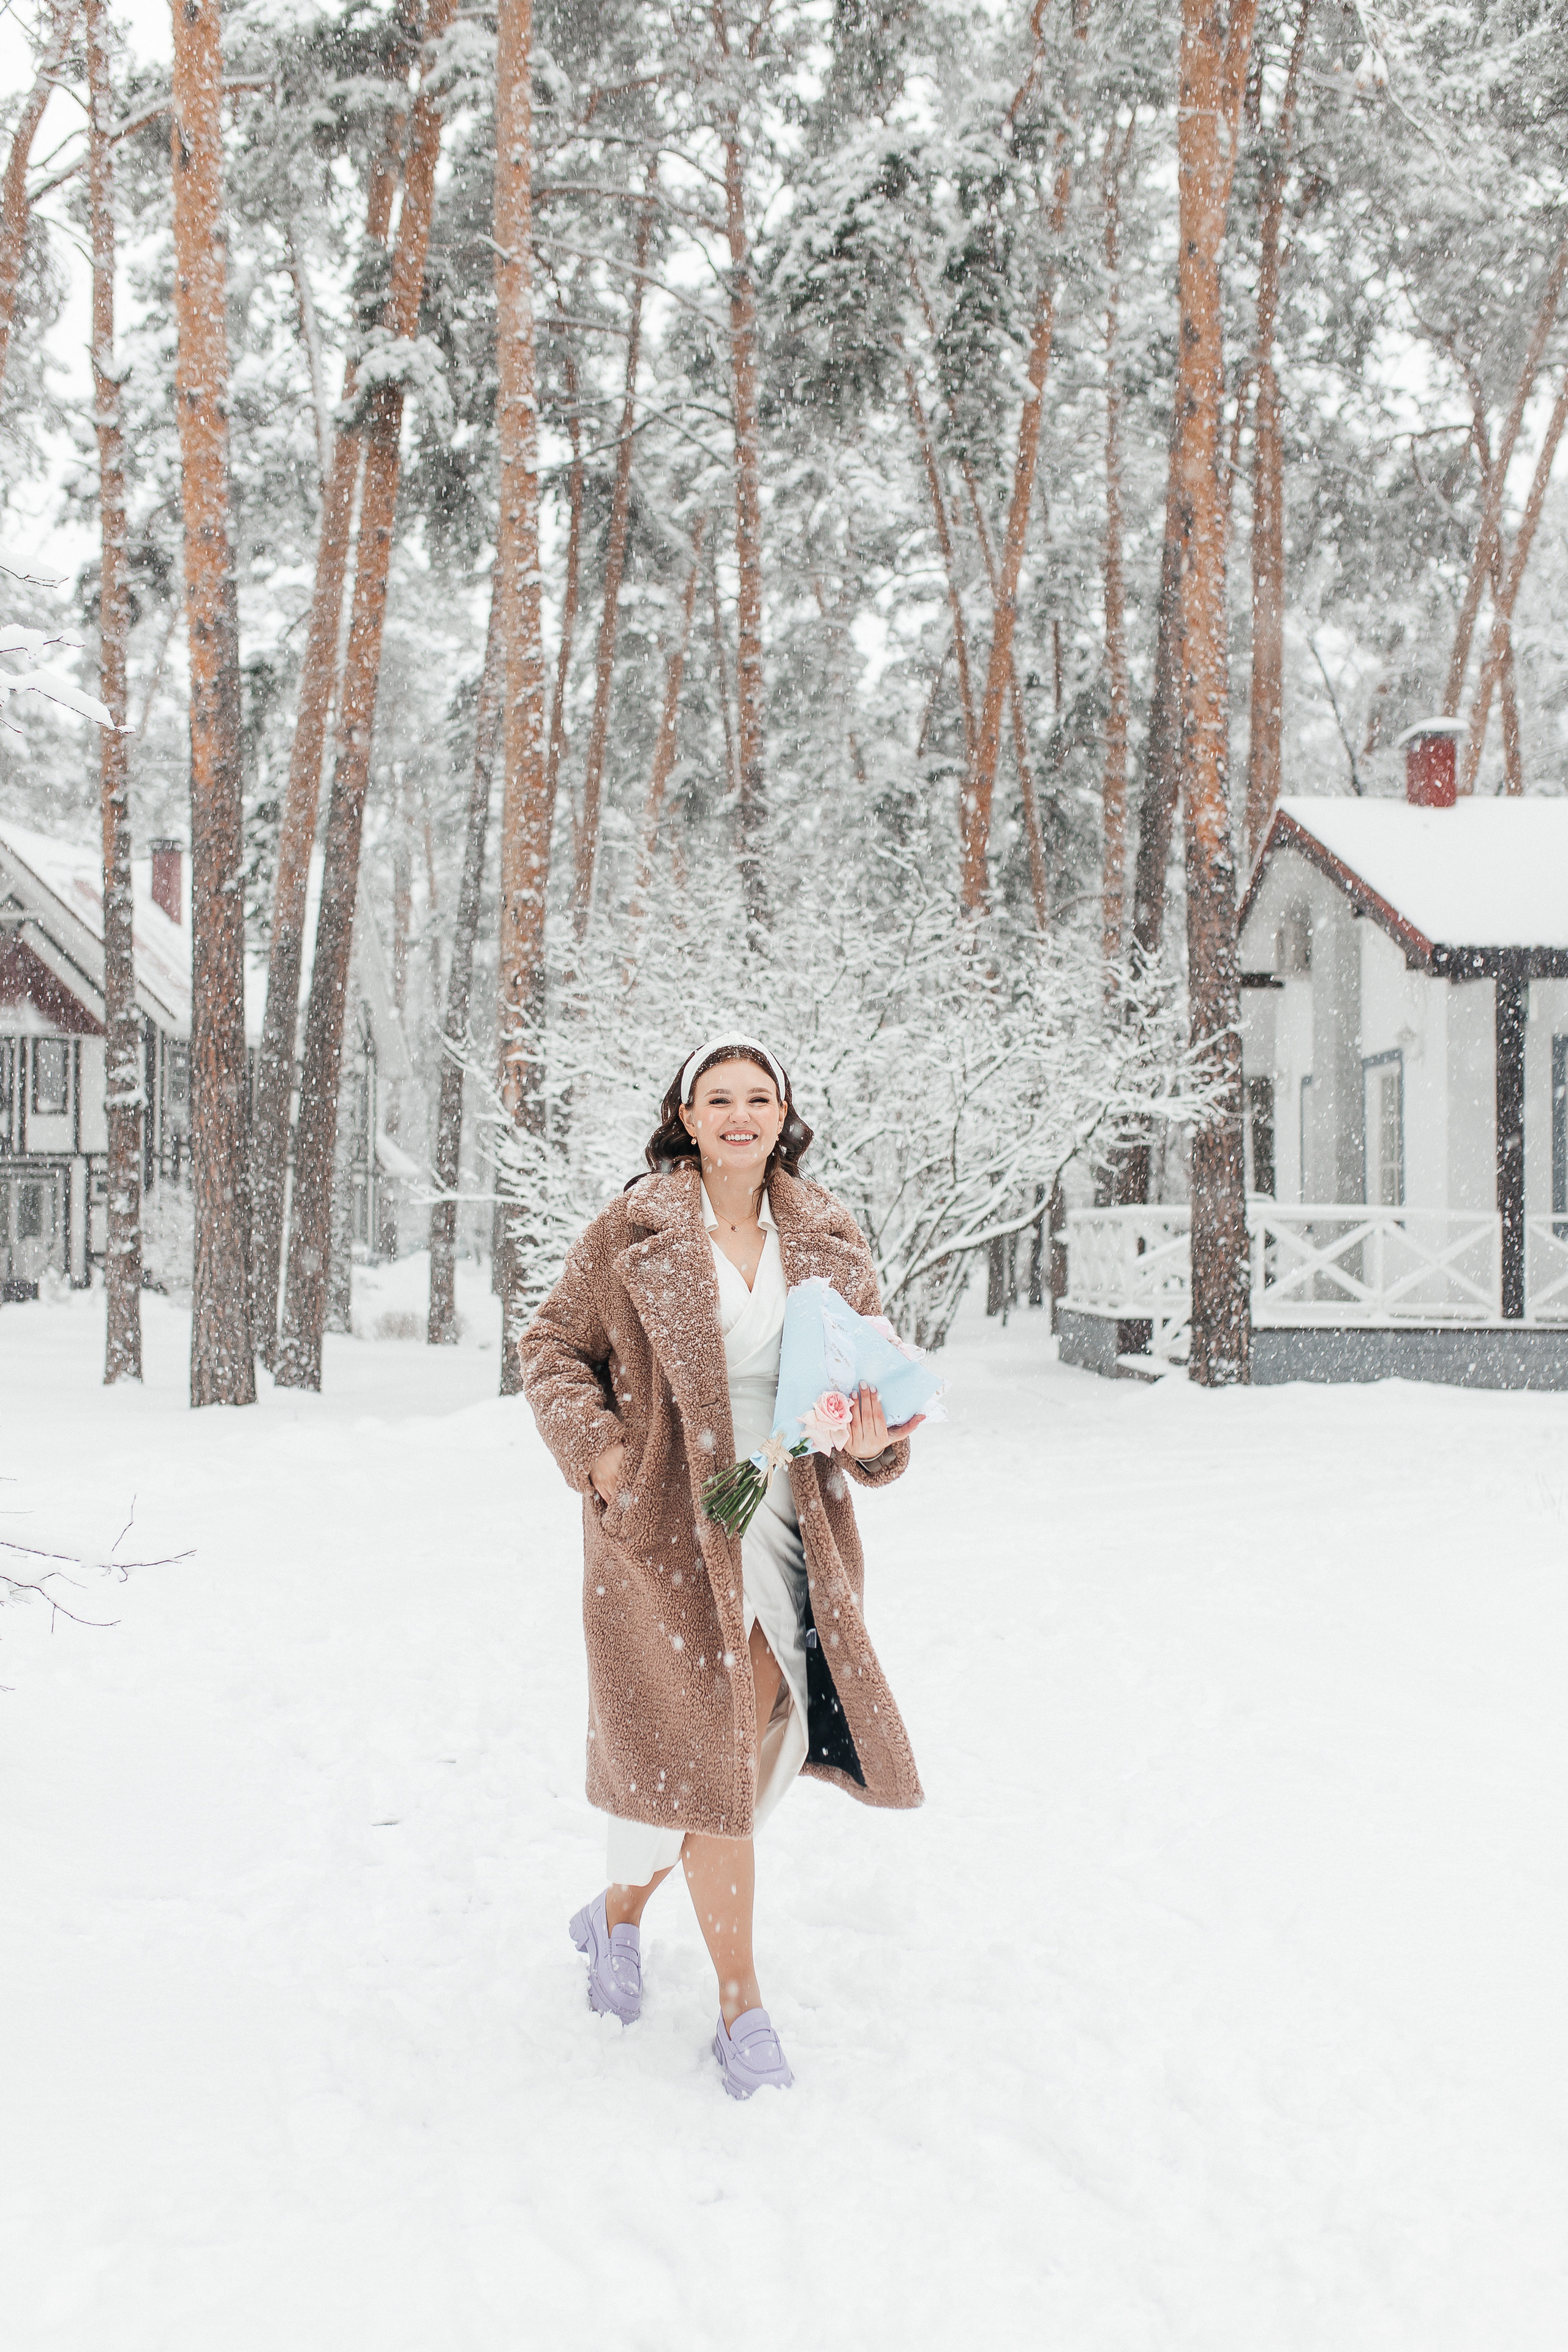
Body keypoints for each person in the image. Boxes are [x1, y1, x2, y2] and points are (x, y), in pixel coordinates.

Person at [517, 1035, 925, 2097]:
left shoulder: (827, 1233)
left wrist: (875, 1434)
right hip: (663, 1530)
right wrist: (603, 1455)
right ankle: (741, 2010)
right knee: (713, 1759)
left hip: (790, 1523)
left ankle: (614, 1914)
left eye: (758, 1096)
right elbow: (552, 1346)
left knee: (736, 1759)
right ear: (687, 1116)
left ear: (782, 1111)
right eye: (717, 1098)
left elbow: (867, 1385)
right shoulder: (636, 1227)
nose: (738, 1114)